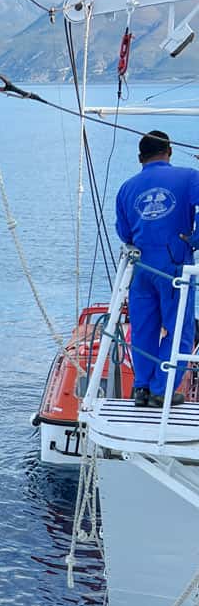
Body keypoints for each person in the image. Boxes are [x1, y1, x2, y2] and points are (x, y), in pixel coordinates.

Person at [115, 130, 199, 407]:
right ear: (169, 151)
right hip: (174, 264)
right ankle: (162, 390)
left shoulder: (127, 187)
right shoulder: (189, 177)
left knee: (143, 328)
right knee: (179, 329)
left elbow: (124, 231)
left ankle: (141, 388)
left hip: (140, 266)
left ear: (140, 158)